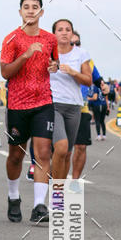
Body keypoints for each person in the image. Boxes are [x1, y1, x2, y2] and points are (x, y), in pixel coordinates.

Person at [0, 0, 59, 224]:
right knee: (16, 155)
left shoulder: (50, 39)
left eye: (35, 7)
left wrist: (54, 66)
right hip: (17, 104)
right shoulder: (11, 39)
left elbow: (54, 62)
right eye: (26, 7)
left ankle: (39, 206)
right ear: (20, 11)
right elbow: (5, 72)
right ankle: (14, 197)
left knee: (44, 152)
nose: (31, 10)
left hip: (44, 102)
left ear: (41, 12)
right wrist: (26, 54)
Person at [50, 19, 92, 179]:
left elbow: (88, 80)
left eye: (68, 29)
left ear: (72, 33)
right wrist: (47, 68)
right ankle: (57, 189)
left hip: (74, 106)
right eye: (60, 29)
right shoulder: (48, 52)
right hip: (53, 105)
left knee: (67, 153)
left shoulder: (81, 53)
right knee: (61, 147)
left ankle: (60, 189)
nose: (64, 32)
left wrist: (73, 72)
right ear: (54, 33)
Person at [71, 32, 102, 179]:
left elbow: (97, 78)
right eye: (72, 43)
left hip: (81, 107)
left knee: (81, 147)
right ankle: (58, 181)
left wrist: (104, 86)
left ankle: (75, 181)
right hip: (60, 107)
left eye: (78, 43)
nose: (75, 46)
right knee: (62, 149)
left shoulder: (87, 60)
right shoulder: (56, 57)